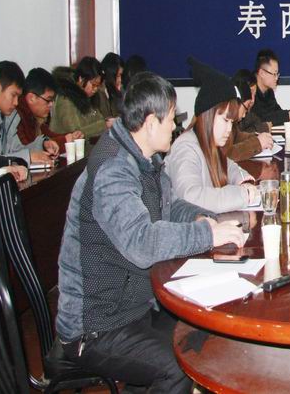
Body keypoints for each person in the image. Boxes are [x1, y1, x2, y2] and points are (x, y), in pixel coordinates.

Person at [56, 72, 244, 393]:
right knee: (179, 366)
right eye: (171, 119)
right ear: (150, 122)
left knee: (207, 335)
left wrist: (206, 219)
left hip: (136, 306)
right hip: (97, 324)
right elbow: (142, 243)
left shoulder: (145, 159)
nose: (175, 126)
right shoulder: (112, 169)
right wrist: (206, 235)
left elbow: (171, 206)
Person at [165, 58, 259, 213]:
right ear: (208, 116)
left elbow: (229, 166)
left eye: (232, 122)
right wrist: (242, 195)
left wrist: (244, 181)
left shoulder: (211, 144)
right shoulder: (185, 148)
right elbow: (190, 197)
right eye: (225, 120)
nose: (229, 129)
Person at [0, 61, 57, 165]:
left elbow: (16, 151)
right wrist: (28, 157)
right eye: (13, 95)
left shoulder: (9, 116)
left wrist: (42, 145)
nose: (16, 102)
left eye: (18, 97)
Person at [16, 68, 84, 149]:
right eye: (48, 100)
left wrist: (72, 136)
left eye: (52, 100)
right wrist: (65, 140)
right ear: (31, 98)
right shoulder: (16, 117)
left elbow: (49, 136)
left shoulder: (34, 116)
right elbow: (27, 149)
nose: (51, 104)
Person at [50, 57, 112, 139]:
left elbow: (98, 118)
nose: (95, 89)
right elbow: (76, 132)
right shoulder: (65, 99)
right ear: (81, 79)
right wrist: (104, 125)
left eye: (98, 86)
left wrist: (107, 123)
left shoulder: (90, 96)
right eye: (93, 85)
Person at [226, 75, 274, 161]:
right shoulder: (221, 122)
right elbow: (228, 155)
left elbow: (237, 136)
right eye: (246, 107)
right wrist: (257, 143)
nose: (244, 115)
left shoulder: (231, 122)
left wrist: (258, 137)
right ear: (237, 103)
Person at [251, 49, 290, 125]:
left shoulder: (269, 91)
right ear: (261, 73)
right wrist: (287, 115)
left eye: (277, 74)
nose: (276, 78)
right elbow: (258, 120)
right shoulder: (250, 89)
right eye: (274, 74)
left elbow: (276, 112)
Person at [96, 52, 124, 119]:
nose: (120, 80)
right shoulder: (97, 91)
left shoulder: (115, 90)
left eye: (121, 76)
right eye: (117, 76)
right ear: (109, 74)